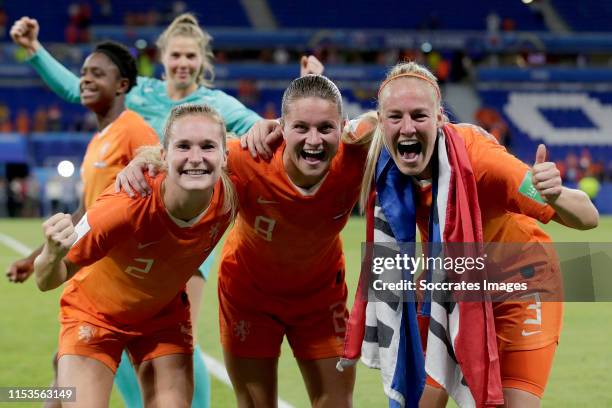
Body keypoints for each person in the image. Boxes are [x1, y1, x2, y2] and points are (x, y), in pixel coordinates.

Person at [8, 14, 323, 408]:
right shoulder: (135, 108)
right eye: (175, 55)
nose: (183, 63)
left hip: (175, 252)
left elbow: (281, 138)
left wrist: (308, 90)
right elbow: (79, 94)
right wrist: (35, 52)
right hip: (126, 236)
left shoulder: (218, 116)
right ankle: (71, 381)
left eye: (191, 55)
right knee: (79, 371)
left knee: (168, 328)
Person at [116, 75, 377, 407]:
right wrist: (141, 162)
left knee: (337, 403)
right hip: (249, 299)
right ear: (281, 126)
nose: (314, 140)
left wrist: (368, 120)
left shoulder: (357, 155)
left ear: (343, 126)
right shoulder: (248, 158)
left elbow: (388, 121)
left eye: (326, 128)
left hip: (321, 301)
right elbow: (190, 153)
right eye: (301, 128)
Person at [353, 61, 598, 407]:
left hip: (520, 288)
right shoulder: (380, 155)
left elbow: (587, 217)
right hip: (451, 288)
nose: (406, 128)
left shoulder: (481, 161)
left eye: (419, 116)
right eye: (395, 117)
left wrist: (556, 193)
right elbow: (312, 132)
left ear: (440, 119)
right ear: (381, 120)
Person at [32, 103, 236, 408]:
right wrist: (51, 253)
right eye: (183, 146)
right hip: (95, 314)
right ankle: (65, 375)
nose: (196, 158)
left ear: (225, 155)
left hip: (162, 317)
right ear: (165, 155)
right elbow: (46, 279)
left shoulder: (232, 187)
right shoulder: (124, 206)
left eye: (208, 146)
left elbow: (292, 142)